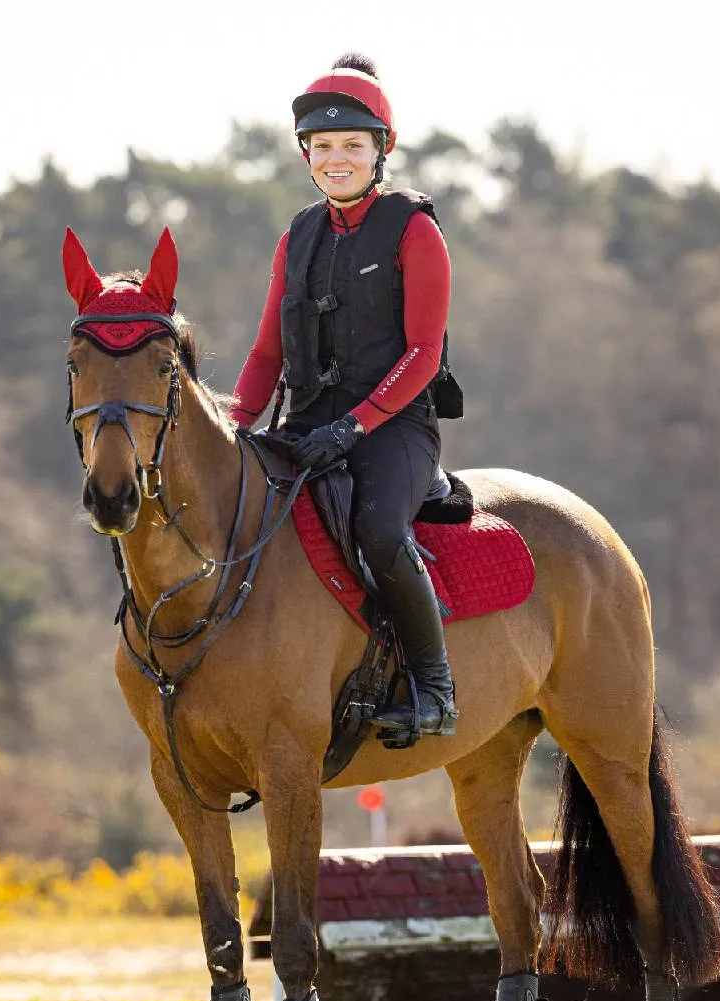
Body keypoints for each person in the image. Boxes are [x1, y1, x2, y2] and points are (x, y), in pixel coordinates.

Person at [230, 53, 458, 741]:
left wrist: (356, 426)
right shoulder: (296, 236)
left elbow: (425, 353)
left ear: (380, 151)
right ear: (306, 155)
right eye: (322, 147)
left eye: (351, 146)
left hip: (394, 426)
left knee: (378, 531)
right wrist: (234, 422)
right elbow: (268, 351)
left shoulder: (416, 231)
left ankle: (434, 689)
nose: (336, 159)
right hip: (303, 423)